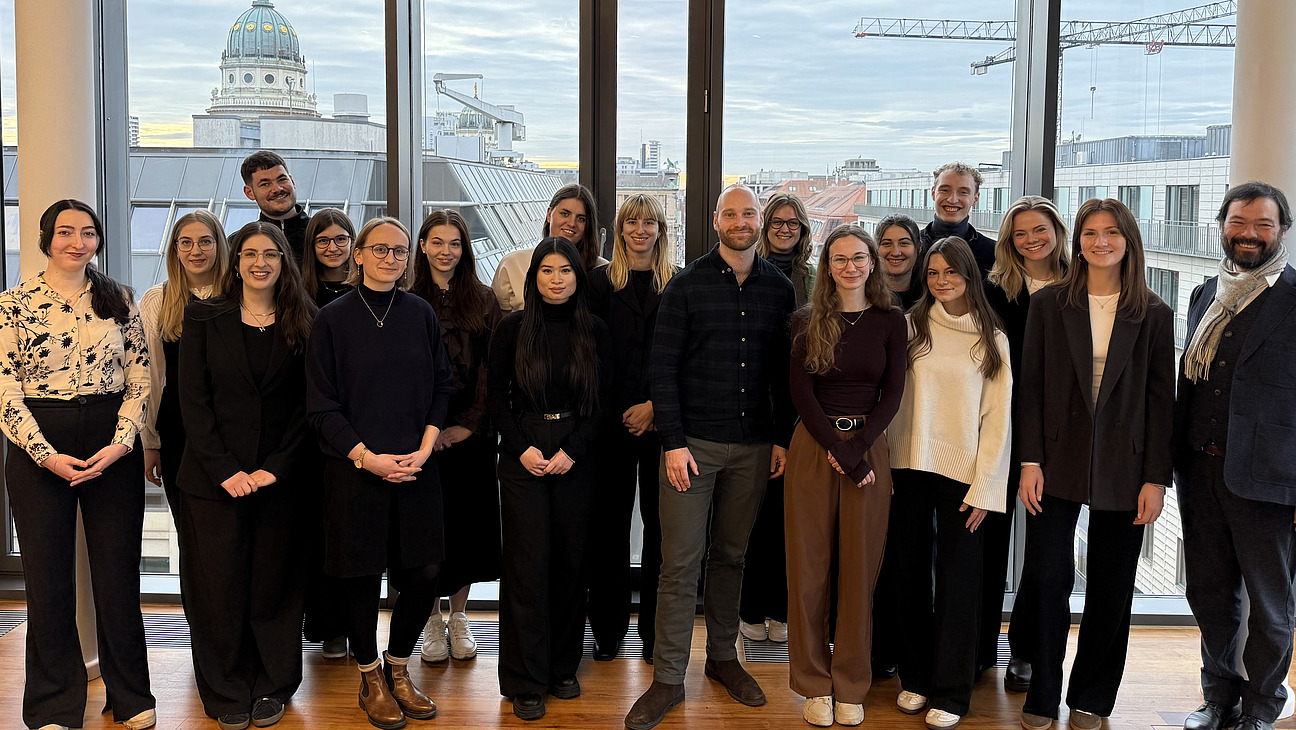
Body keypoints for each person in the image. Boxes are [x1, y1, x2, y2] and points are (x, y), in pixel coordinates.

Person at [625, 184, 796, 730]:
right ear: (715, 218)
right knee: (678, 566)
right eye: (731, 213)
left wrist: (782, 440)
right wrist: (671, 443)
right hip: (691, 449)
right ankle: (668, 680)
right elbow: (663, 371)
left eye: (750, 214)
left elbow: (782, 376)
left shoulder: (780, 289)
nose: (741, 222)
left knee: (731, 558)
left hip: (752, 448)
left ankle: (723, 659)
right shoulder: (686, 284)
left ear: (758, 221)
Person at [1016, 198, 1174, 730]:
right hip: (1054, 461)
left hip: (1126, 468)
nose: (1099, 241)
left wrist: (1156, 477)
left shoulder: (1153, 313)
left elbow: (1160, 402)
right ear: (1077, 240)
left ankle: (1092, 697)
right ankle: (1042, 693)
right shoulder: (1049, 304)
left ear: (1128, 240)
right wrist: (1029, 461)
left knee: (1111, 586)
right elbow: (1031, 389)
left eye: (1111, 232)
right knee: (1047, 579)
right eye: (1089, 232)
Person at [0, 199, 155, 730]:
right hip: (38, 445)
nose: (77, 242)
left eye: (88, 232)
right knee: (47, 580)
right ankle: (52, 704)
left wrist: (121, 444)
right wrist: (47, 456)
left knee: (117, 576)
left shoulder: (121, 300)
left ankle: (131, 696)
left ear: (98, 240)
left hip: (110, 439)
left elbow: (140, 380)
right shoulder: (12, 305)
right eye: (65, 232)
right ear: (45, 239)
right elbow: (4, 392)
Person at [306, 217, 454, 730]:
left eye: (398, 250)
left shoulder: (420, 314)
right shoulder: (331, 319)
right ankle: (369, 674)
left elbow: (442, 386)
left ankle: (398, 666)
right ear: (359, 256)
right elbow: (321, 406)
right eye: (380, 249)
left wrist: (426, 448)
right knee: (360, 574)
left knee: (426, 571)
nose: (391, 258)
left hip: (417, 464)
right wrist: (367, 457)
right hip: (354, 468)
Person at [177, 222, 317, 730]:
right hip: (213, 481)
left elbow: (311, 407)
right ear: (235, 262)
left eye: (271, 254)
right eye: (250, 254)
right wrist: (227, 471)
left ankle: (274, 685)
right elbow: (192, 402)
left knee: (275, 587)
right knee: (218, 588)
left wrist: (272, 470)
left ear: (285, 263)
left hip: (281, 480)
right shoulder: (204, 315)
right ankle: (225, 688)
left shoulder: (307, 321)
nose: (261, 262)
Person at [1174, 181, 1296, 730]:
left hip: (1270, 479)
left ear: (1281, 231)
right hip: (1201, 470)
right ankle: (1219, 696)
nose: (1249, 234)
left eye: (1263, 224)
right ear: (1222, 225)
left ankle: (1263, 707)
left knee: (1271, 607)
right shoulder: (1206, 293)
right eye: (1239, 222)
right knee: (1210, 593)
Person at [886, 236, 1011, 730]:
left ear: (969, 277)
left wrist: (985, 487)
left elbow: (998, 421)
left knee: (960, 585)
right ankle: (915, 679)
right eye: (933, 272)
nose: (941, 281)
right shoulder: (909, 326)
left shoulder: (991, 339)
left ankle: (953, 692)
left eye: (951, 273)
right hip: (908, 469)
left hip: (963, 478)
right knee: (907, 577)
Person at [785, 225, 906, 728]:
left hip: (868, 452)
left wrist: (857, 450)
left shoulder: (891, 321)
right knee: (809, 572)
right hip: (814, 450)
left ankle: (851, 681)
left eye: (859, 257)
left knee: (860, 570)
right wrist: (838, 448)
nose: (850, 266)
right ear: (826, 265)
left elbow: (893, 395)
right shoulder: (806, 320)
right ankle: (814, 684)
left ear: (872, 263)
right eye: (839, 258)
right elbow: (802, 394)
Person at [488, 238, 612, 720]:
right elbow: (497, 396)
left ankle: (562, 667)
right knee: (526, 569)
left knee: (569, 565)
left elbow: (602, 401)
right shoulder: (512, 329)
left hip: (575, 456)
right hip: (523, 456)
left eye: (565, 270)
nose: (556, 278)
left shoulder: (595, 331)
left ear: (579, 276)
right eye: (546, 270)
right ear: (533, 276)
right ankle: (524, 679)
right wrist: (524, 450)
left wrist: (570, 451)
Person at [982, 195, 1071, 693]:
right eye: (1020, 233)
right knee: (992, 542)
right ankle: (980, 646)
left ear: (1057, 231)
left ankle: (1027, 649)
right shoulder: (998, 291)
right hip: (1003, 428)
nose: (1031, 239)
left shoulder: (1083, 287)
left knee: (1044, 550)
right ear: (1009, 242)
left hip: (1059, 434)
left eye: (1040, 229)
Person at [409, 209, 504, 665]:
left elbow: (494, 368)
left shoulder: (484, 299)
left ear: (464, 250)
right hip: (416, 437)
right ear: (423, 245)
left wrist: (467, 424)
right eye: (437, 242)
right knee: (426, 531)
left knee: (466, 527)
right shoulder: (405, 296)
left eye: (455, 243)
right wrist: (429, 431)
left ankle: (460, 616)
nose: (446, 251)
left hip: (472, 433)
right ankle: (429, 618)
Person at [585, 194, 675, 663]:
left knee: (662, 532)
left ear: (661, 230)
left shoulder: (676, 285)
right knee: (610, 530)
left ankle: (654, 634)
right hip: (611, 426)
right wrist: (625, 409)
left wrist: (654, 408)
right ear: (619, 230)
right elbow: (592, 358)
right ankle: (608, 628)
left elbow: (684, 357)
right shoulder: (598, 284)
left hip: (664, 428)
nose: (640, 230)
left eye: (649, 223)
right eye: (632, 222)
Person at [739, 191, 815, 647]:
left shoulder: (814, 276)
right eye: (777, 223)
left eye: (794, 224)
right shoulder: (753, 274)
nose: (785, 229)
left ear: (803, 231)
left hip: (803, 410)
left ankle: (783, 609)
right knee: (754, 518)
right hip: (755, 410)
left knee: (794, 520)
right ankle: (751, 606)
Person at [140, 209, 231, 524]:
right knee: (189, 526)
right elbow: (151, 377)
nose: (197, 251)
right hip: (178, 428)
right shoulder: (158, 300)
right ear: (175, 250)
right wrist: (150, 442)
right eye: (187, 243)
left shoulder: (240, 295)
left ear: (219, 245)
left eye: (206, 241)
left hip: (232, 427)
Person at [490, 184, 607, 312]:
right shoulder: (513, 264)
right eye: (564, 214)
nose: (572, 223)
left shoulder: (602, 269)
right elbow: (500, 322)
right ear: (549, 214)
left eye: (581, 218)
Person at [920, 163, 996, 277]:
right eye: (945, 190)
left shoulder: (994, 253)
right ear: (933, 193)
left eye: (963, 192)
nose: (952, 199)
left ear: (976, 199)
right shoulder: (912, 247)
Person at [242, 150, 310, 259]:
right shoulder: (241, 243)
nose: (277, 189)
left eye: (282, 179)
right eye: (265, 184)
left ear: (292, 181)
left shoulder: (323, 237)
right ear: (249, 193)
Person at [302, 207, 355, 308]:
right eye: (323, 240)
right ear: (311, 245)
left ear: (352, 241)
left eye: (340, 239)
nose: (332, 248)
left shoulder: (367, 286)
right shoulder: (299, 291)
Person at [876, 213, 925, 311]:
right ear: (876, 248)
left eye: (904, 243)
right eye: (887, 244)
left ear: (919, 247)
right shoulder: (862, 296)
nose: (895, 252)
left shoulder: (931, 297)